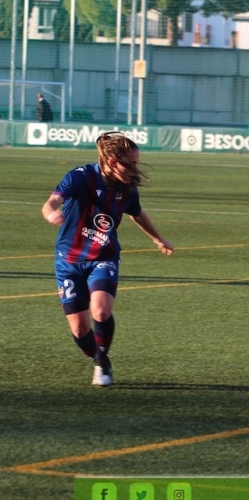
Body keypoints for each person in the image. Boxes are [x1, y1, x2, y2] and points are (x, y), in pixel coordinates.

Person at [41, 131, 174, 387]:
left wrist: (158, 238)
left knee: (101, 309)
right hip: (68, 262)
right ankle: (98, 357)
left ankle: (101, 362)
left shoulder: (126, 188)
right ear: (112, 162)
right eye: (131, 163)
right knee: (80, 331)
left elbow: (137, 214)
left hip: (104, 257)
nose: (135, 169)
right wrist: (50, 213)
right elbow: (52, 201)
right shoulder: (80, 177)